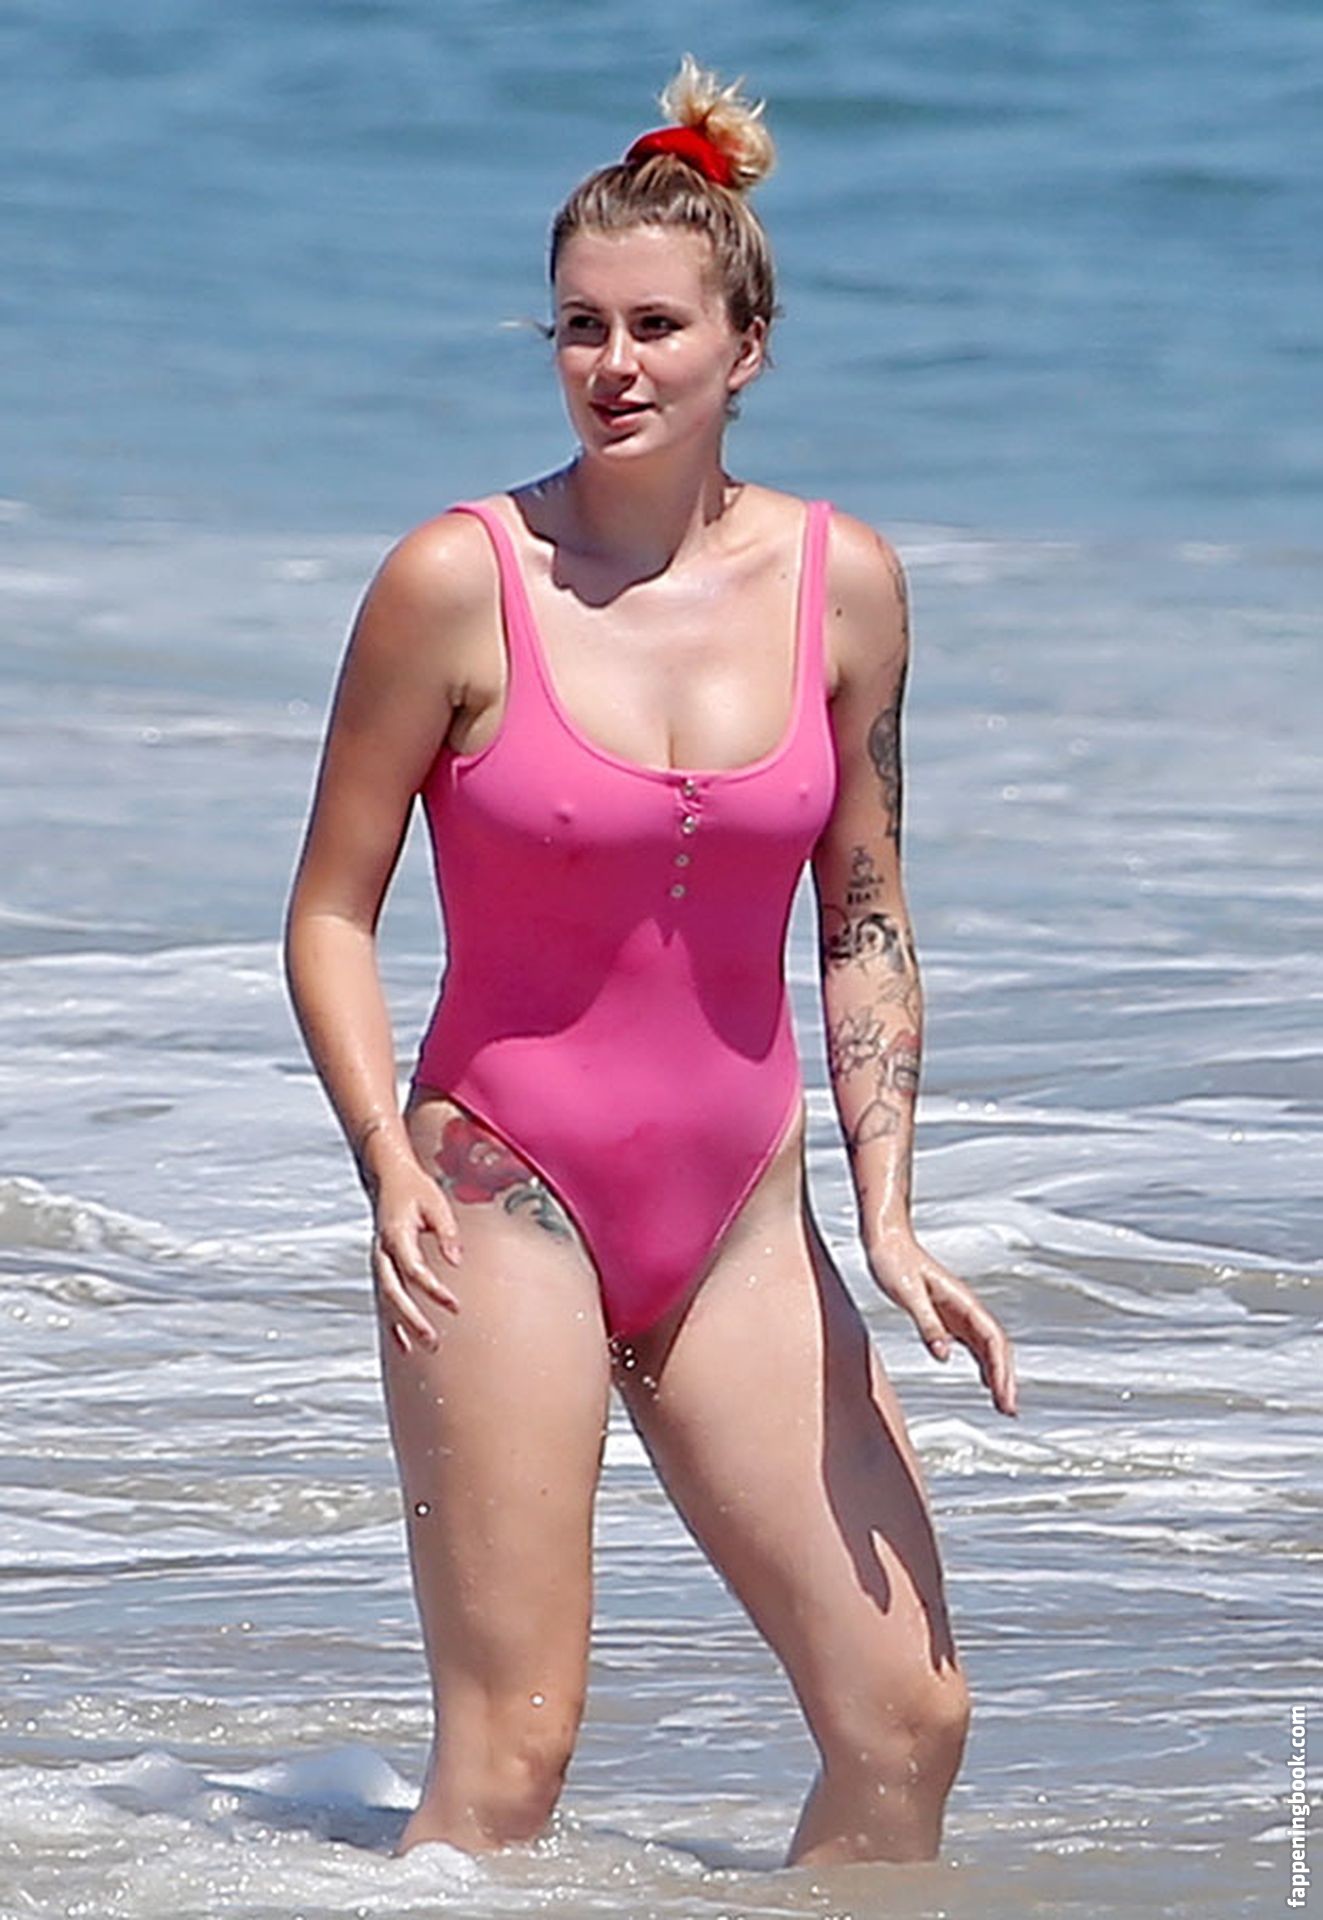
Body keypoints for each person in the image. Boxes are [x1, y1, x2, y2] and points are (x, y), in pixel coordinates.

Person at [283, 53, 1018, 1872]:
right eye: (580, 327)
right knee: (512, 1763)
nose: (613, 364)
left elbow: (865, 913)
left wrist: (892, 1214)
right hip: (498, 1191)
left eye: (656, 327)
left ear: (745, 346)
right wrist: (384, 1162)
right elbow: (330, 911)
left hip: (740, 1211)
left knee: (906, 1722)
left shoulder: (846, 584)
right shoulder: (458, 581)